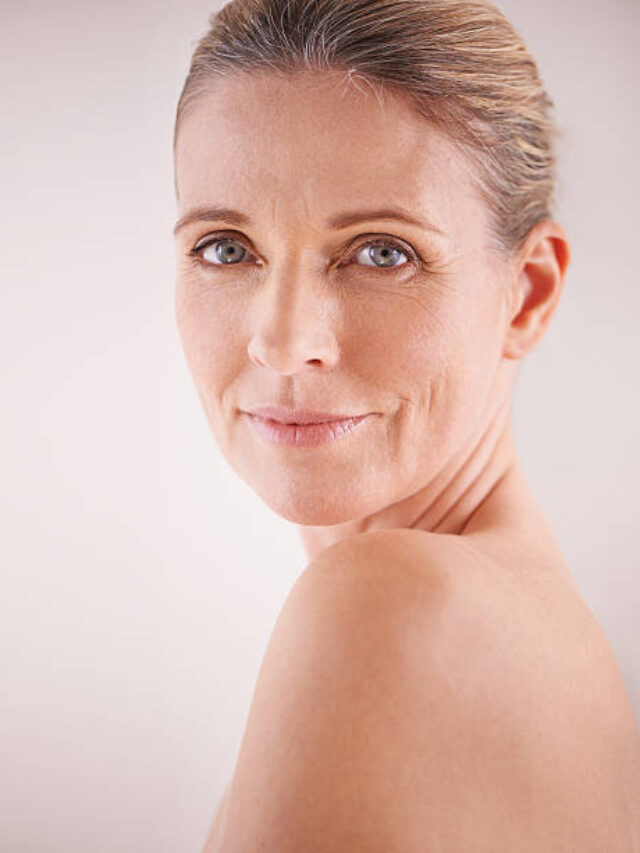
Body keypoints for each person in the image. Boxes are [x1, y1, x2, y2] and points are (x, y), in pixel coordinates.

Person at [171, 0, 640, 849]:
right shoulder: (542, 644)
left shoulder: (389, 611)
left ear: (526, 293)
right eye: (226, 248)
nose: (283, 342)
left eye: (382, 252)